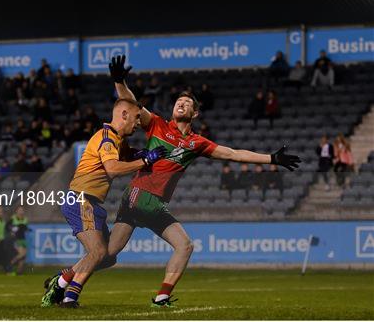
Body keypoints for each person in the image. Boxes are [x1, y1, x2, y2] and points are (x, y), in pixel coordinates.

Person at [46, 55, 300, 308]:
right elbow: (130, 105)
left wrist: (272, 159)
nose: (181, 103)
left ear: (195, 113)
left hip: (138, 200)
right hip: (141, 195)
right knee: (184, 245)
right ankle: (161, 297)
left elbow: (233, 154)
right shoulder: (157, 125)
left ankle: (63, 279)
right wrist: (119, 80)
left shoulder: (197, 143)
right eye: (179, 101)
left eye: (187, 103)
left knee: (107, 255)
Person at [41, 97, 167, 308]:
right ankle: (69, 298)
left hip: (91, 203)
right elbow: (113, 169)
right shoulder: (106, 139)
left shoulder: (117, 140)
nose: (138, 123)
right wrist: (145, 160)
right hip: (80, 199)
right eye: (136, 118)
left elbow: (126, 155)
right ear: (123, 115)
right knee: (98, 252)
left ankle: (61, 280)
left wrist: (141, 153)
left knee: (108, 257)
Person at [7, 206, 30, 275]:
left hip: (23, 239)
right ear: (16, 211)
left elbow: (24, 228)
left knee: (24, 256)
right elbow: (7, 226)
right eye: (19, 210)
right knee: (21, 254)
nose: (21, 211)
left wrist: (27, 229)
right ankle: (9, 265)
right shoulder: (13, 218)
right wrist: (11, 231)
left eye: (22, 210)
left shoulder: (25, 219)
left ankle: (19, 271)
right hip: (16, 239)